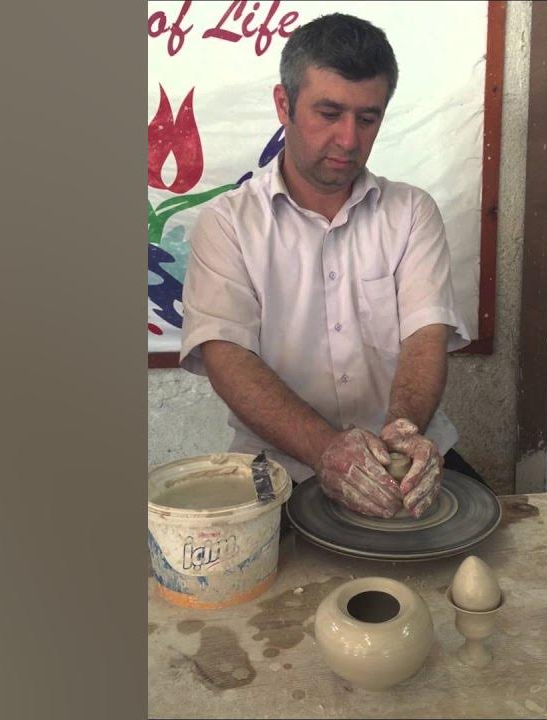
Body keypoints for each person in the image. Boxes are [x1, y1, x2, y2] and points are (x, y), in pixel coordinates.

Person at [178, 13, 475, 520]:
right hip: (280, 466)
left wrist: (403, 432)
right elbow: (227, 358)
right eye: (329, 112)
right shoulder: (227, 225)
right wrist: (326, 450)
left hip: (406, 459)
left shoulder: (411, 212)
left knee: (494, 566)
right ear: (283, 104)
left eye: (367, 118)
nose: (348, 139)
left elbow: (426, 337)